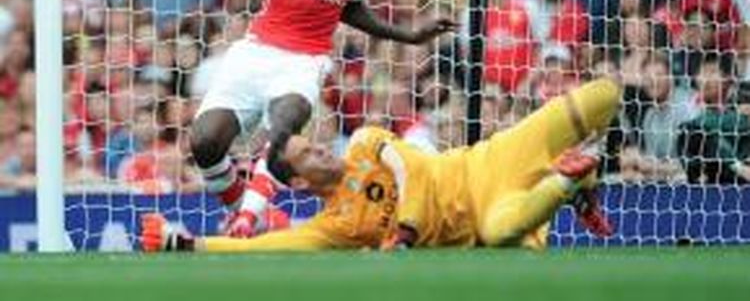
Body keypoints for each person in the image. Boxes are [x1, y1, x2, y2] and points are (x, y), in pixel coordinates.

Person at [190, 0, 456, 237]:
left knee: (285, 127)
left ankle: (246, 222)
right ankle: (247, 211)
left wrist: (409, 36)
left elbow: (350, 8)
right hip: (256, 49)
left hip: (305, 59)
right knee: (204, 143)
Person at [142, 78, 620, 252]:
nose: (322, 150)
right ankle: (568, 182)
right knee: (501, 234)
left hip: (487, 162)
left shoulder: (366, 143)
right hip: (489, 217)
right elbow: (273, 245)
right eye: (308, 155)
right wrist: (187, 244)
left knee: (605, 97)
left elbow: (409, 167)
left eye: (315, 143)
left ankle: (582, 183)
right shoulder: (338, 226)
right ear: (303, 186)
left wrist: (408, 227)